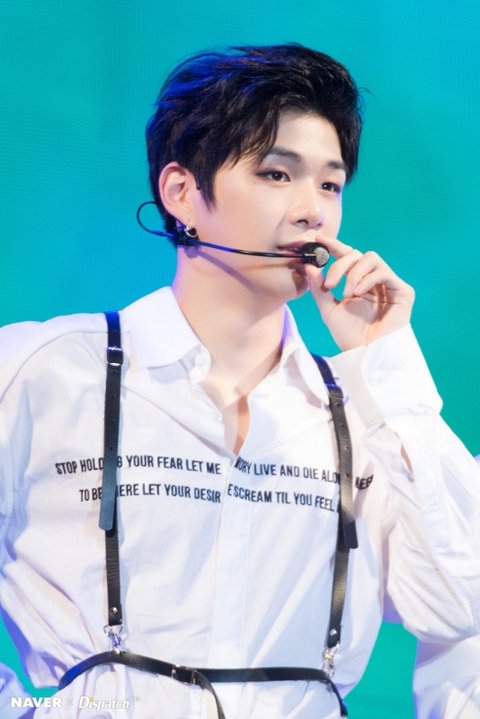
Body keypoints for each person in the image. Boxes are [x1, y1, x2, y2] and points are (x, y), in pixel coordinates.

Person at [0, 43, 479, 719]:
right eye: (277, 174)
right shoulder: (43, 369)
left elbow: (457, 603)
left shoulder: (368, 411)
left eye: (331, 185)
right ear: (181, 193)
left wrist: (388, 363)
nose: (313, 211)